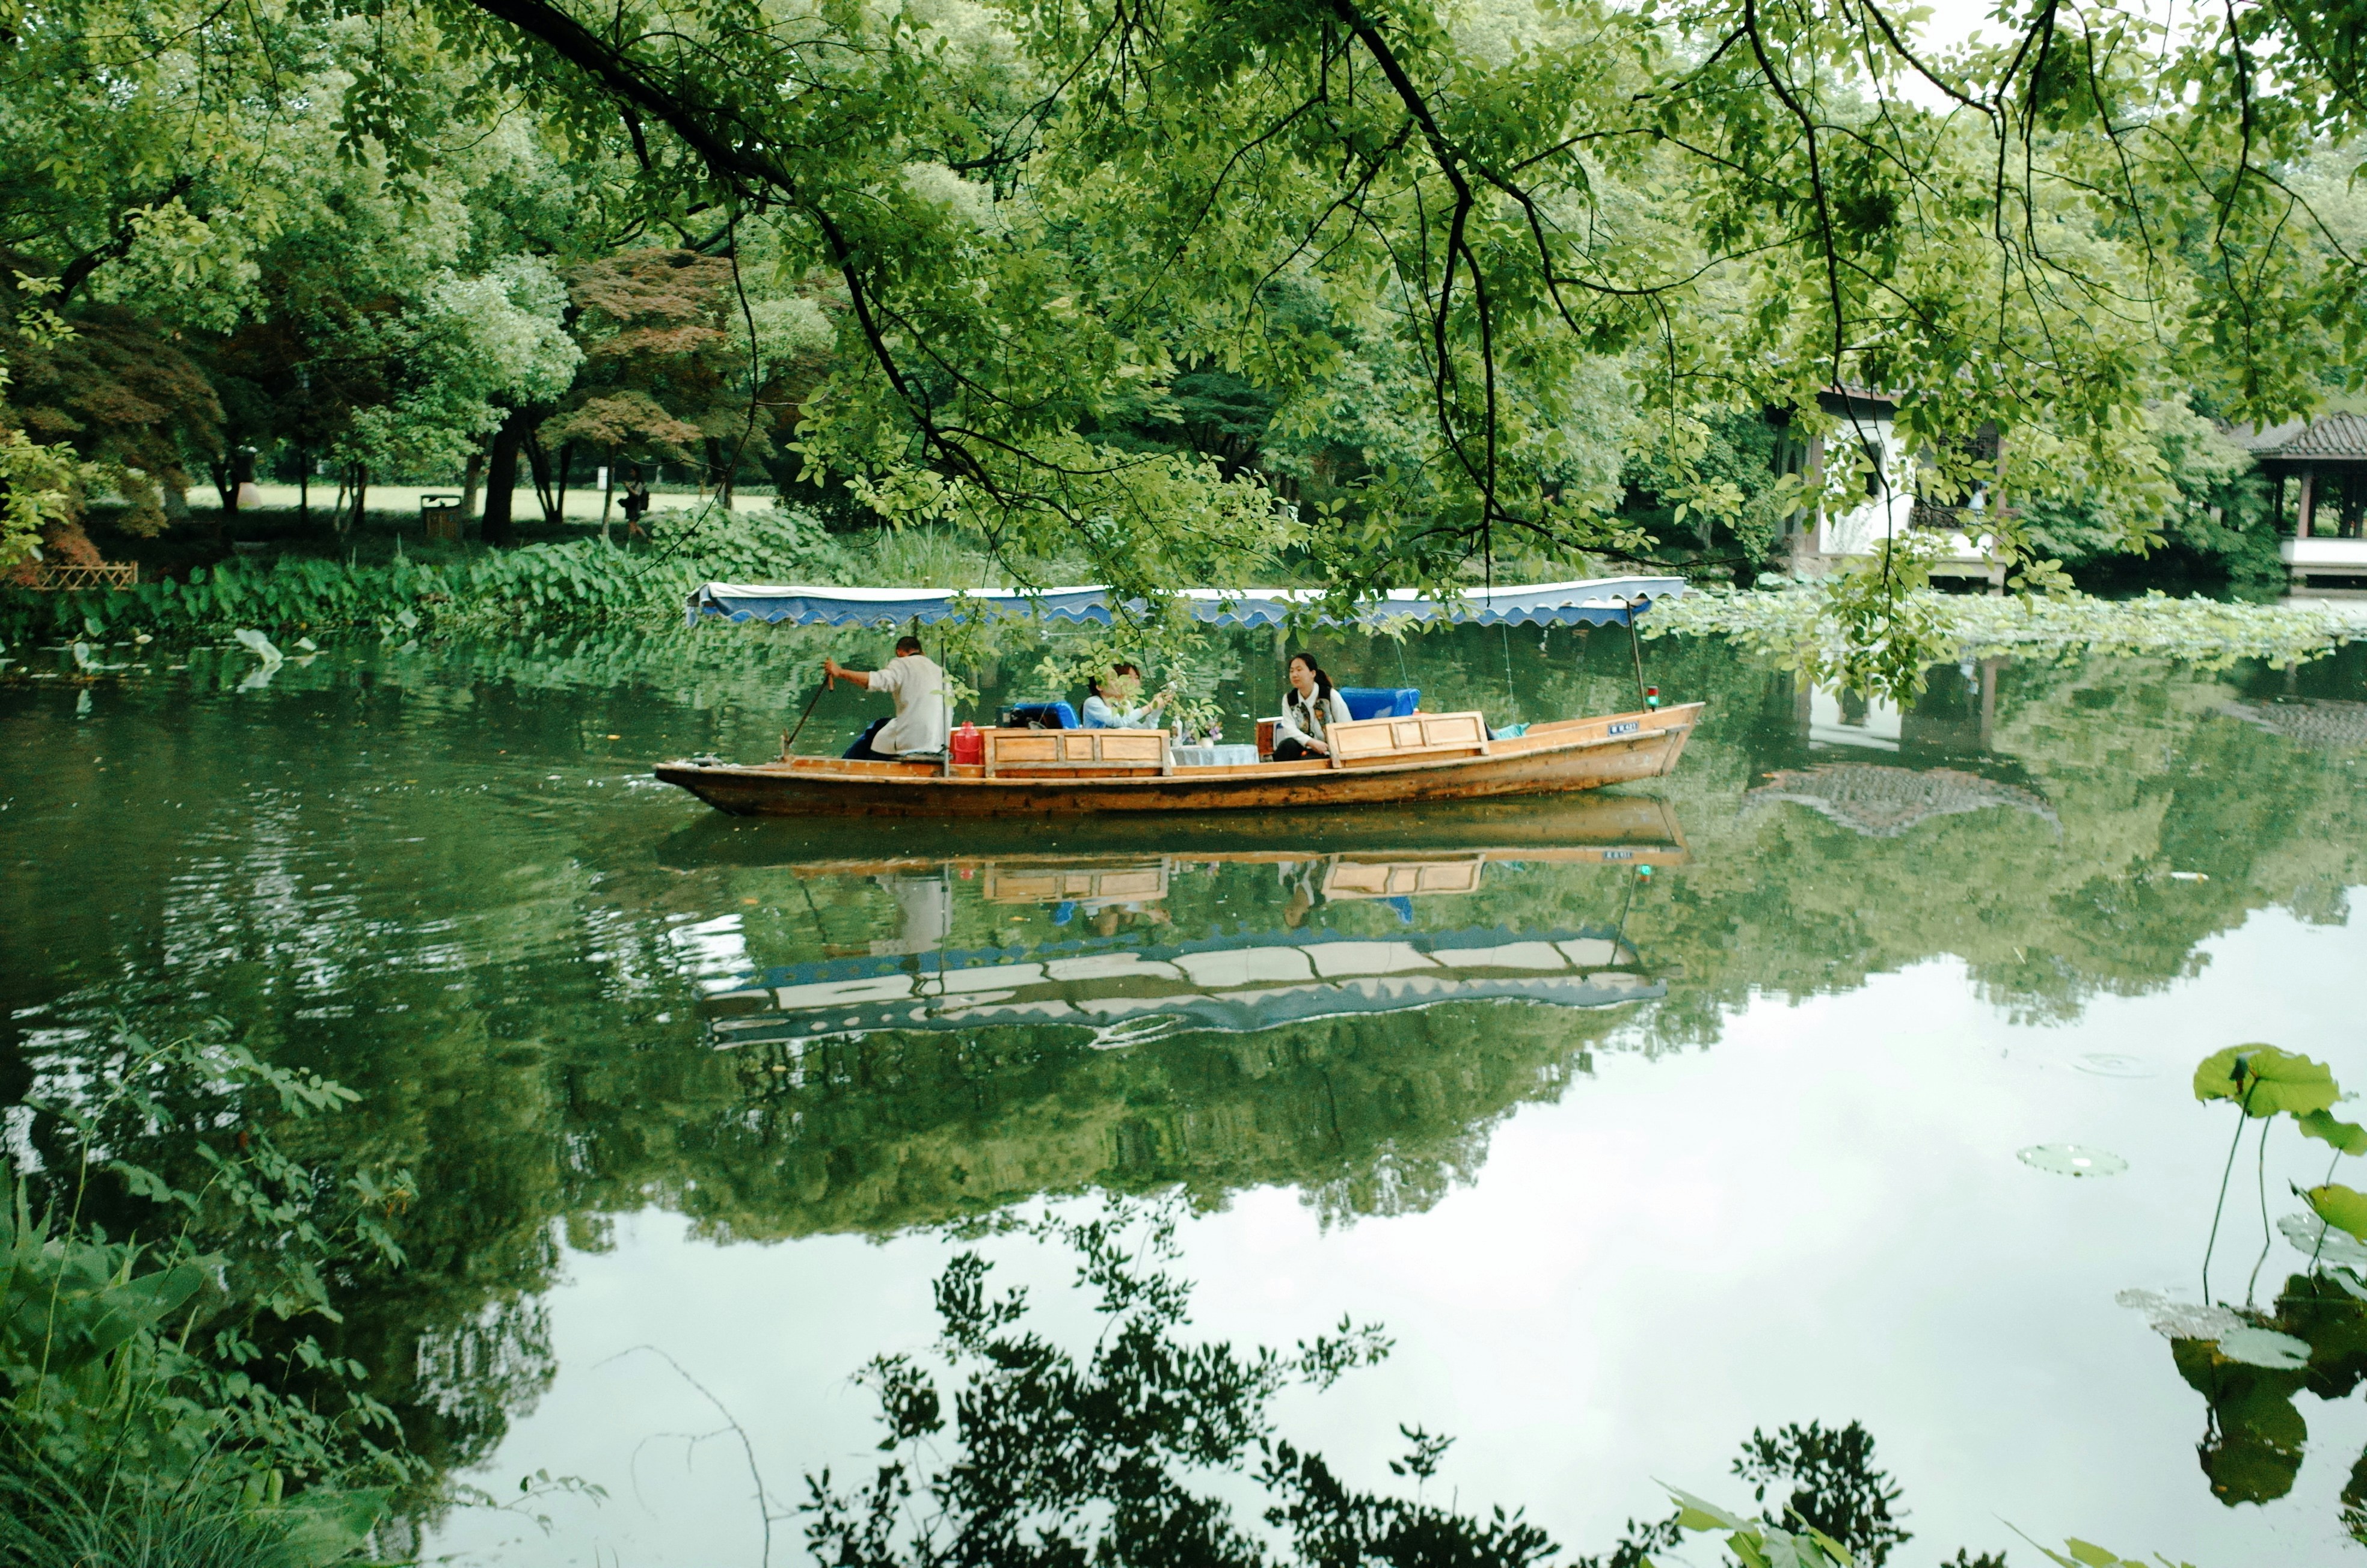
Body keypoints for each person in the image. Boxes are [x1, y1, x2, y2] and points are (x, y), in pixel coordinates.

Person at [825, 635, 949, 760]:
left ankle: (847, 765)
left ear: (899, 652)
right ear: (922, 652)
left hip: (913, 742)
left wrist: (840, 672)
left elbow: (877, 681)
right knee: (882, 724)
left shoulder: (902, 664)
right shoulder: (941, 672)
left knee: (873, 732)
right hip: (939, 743)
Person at [1269, 652, 1351, 762]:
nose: (1294, 675)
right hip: (1304, 747)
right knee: (1286, 746)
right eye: (1292, 671)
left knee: (1308, 760)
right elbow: (1289, 729)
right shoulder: (1289, 699)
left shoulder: (1330, 696)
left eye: (1299, 670)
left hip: (1328, 751)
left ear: (1313, 673)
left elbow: (1346, 726)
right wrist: (1311, 742)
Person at [1081, 662, 1168, 729]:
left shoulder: (1121, 704)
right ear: (1099, 687)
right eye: (1112, 680)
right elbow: (1118, 722)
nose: (1119, 683)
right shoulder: (1093, 703)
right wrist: (1149, 707)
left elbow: (1141, 731)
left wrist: (1156, 710)